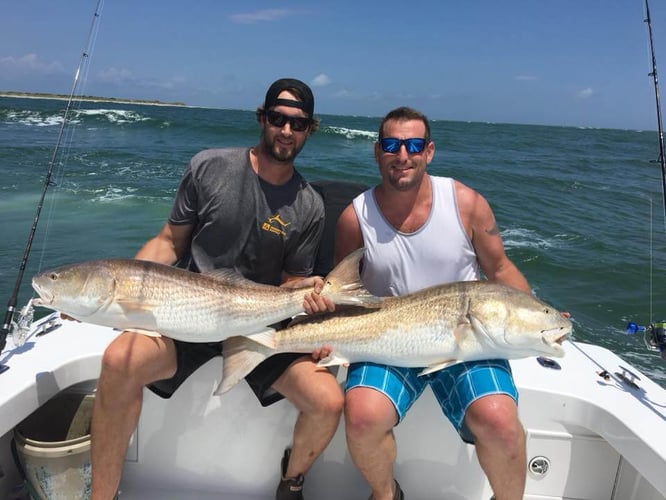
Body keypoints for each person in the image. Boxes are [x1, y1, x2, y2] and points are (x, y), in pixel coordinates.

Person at [90, 78, 342, 500]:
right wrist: (125, 293)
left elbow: (289, 284)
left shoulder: (309, 205)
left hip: (254, 325)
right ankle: (102, 494)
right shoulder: (209, 166)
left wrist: (310, 297)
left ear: (309, 130)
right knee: (119, 361)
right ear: (262, 119)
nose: (286, 131)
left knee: (327, 401)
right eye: (278, 119)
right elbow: (169, 242)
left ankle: (291, 481)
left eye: (297, 124)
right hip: (186, 315)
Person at [335, 106, 531, 500]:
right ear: (377, 153)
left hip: (467, 336)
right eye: (391, 145)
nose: (402, 155)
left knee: (500, 422)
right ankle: (386, 493)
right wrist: (332, 338)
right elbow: (342, 292)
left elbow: (501, 269)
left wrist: (535, 313)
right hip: (389, 339)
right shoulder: (355, 218)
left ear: (429, 151)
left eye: (413, 145)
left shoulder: (466, 203)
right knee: (361, 417)